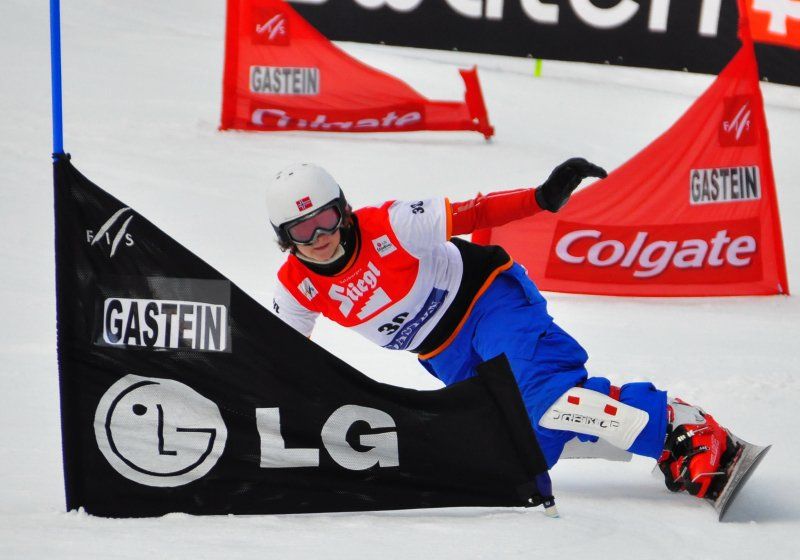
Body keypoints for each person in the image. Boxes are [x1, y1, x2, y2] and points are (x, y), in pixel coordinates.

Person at [267, 161, 737, 502]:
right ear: (285, 239)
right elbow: (279, 353)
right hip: (443, 353)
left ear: (344, 210)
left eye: (326, 219)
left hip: (490, 302)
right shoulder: (295, 287)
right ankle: (650, 428)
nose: (320, 237)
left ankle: (679, 428)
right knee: (519, 447)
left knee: (548, 400)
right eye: (302, 231)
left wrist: (541, 198)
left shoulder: (392, 224)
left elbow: (473, 212)